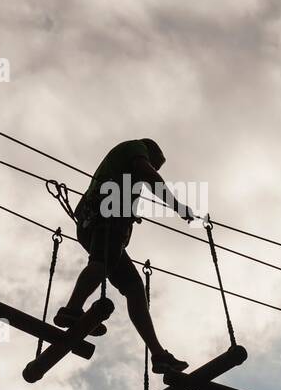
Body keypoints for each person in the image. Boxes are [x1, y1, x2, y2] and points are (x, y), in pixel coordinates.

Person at [55, 138, 193, 373]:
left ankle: (158, 355)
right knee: (101, 263)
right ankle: (72, 310)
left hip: (97, 221)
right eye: (155, 164)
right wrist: (177, 206)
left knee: (135, 289)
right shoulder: (136, 148)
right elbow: (148, 174)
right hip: (104, 219)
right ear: (149, 152)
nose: (154, 168)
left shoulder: (123, 170)